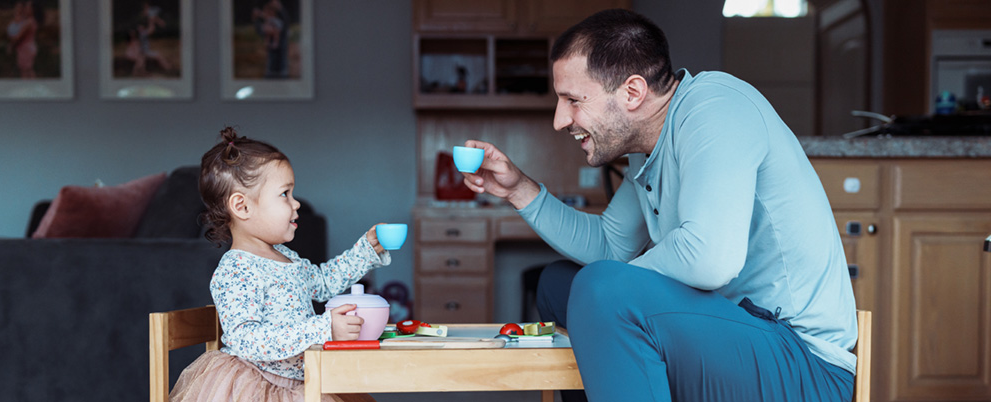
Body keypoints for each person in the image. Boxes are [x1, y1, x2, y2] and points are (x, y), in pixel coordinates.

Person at [460, 9, 858, 402]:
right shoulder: (649, 146)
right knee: (558, 284)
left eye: (573, 99)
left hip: (803, 364)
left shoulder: (715, 108)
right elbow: (610, 246)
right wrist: (519, 190)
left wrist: (608, 293)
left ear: (632, 92)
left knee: (600, 290)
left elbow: (710, 258)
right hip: (731, 336)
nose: (560, 120)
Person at [169, 127, 386, 402]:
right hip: (257, 388)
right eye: (284, 194)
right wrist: (323, 328)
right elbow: (248, 339)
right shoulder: (236, 270)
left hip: (302, 382)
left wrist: (365, 252)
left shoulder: (287, 257)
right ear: (242, 207)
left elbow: (323, 283)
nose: (295, 204)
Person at [6, 1, 38, 79]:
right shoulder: (31, 21)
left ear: (32, 9)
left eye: (27, 7)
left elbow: (18, 37)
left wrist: (10, 45)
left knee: (25, 72)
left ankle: (28, 89)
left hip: (26, 49)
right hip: (28, 48)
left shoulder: (28, 22)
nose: (25, 9)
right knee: (28, 71)